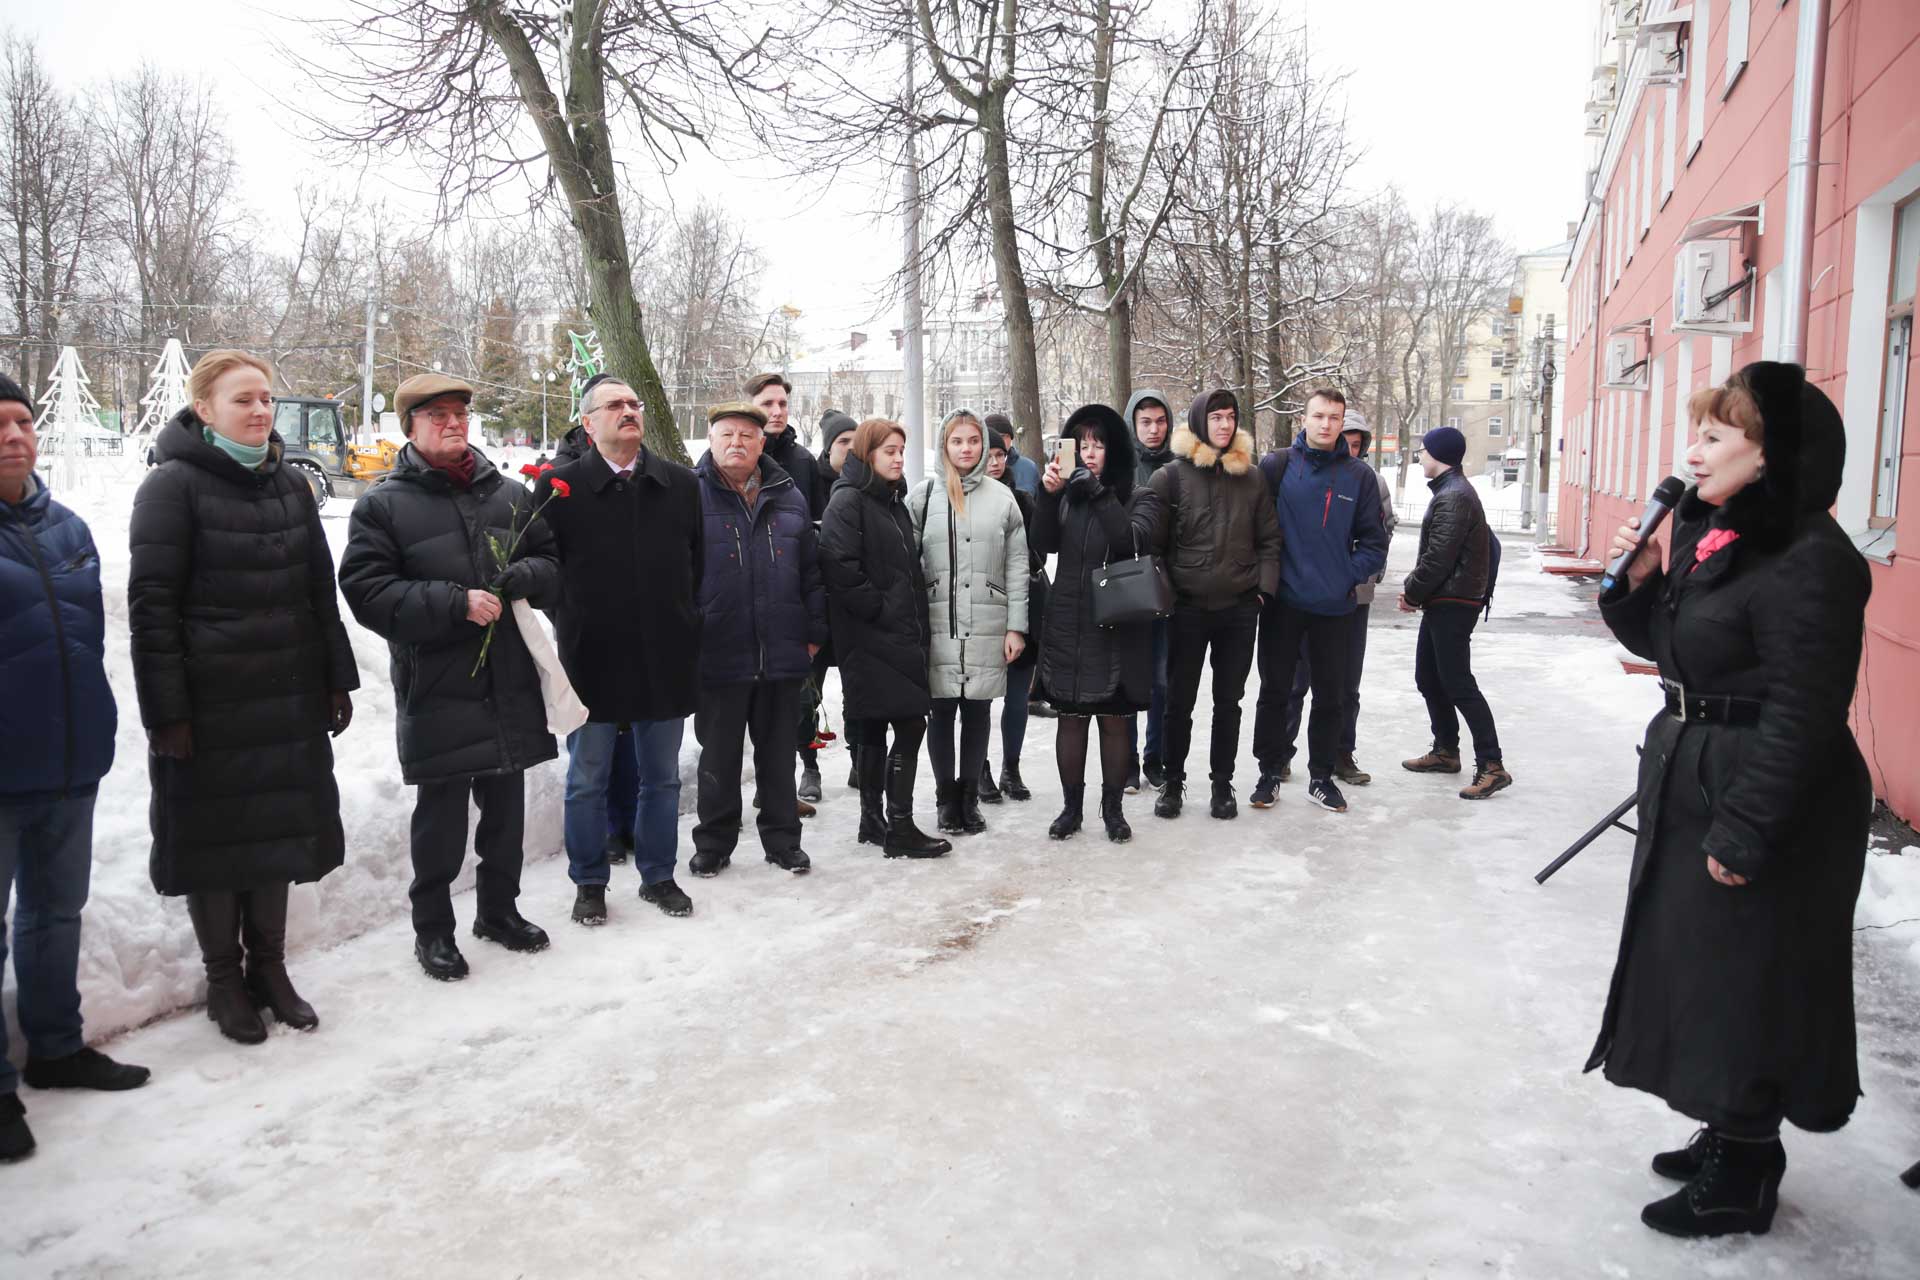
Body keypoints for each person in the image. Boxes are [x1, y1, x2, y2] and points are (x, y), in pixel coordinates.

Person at [1588, 363, 1871, 1238]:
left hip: (1768, 792)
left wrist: (1748, 828)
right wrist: (1634, 589)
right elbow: (1686, 653)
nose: (1692, 453)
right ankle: (1728, 1123)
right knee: (1708, 970)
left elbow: (1805, 709)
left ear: (1769, 454)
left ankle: (1746, 1165)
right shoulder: (1727, 537)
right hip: (1703, 773)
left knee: (1751, 976)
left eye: (1714, 437)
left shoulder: (1811, 559)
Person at [128, 350, 358, 1043]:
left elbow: (320, 590)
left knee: (279, 836)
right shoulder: (172, 488)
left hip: (285, 697)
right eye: (242, 400)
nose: (260, 411)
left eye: (265, 399)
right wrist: (166, 712)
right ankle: (224, 980)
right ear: (204, 411)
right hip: (211, 708)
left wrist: (335, 677)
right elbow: (152, 608)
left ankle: (271, 969)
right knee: (216, 842)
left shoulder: (289, 484)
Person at [339, 373, 561, 981]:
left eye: (461, 413)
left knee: (506, 813)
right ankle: (433, 931)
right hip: (437, 683)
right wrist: (452, 603)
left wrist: (527, 578)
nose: (453, 423)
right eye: (437, 415)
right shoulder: (382, 504)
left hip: (507, 680)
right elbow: (366, 591)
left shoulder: (509, 494)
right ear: (410, 426)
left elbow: (551, 562)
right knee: (439, 822)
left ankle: (499, 912)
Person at [1, 373, 148, 1164]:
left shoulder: (68, 528)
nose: (15, 434)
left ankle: (56, 1047)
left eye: (23, 420)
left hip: (68, 761)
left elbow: (84, 644)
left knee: (56, 914)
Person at [534, 377, 703, 924]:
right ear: (588, 423)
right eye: (614, 406)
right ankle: (589, 882)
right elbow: (545, 570)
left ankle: (658, 875)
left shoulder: (678, 484)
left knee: (663, 777)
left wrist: (683, 617)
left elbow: (697, 563)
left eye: (634, 404)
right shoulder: (559, 488)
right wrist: (574, 619)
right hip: (592, 657)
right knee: (587, 779)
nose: (629, 412)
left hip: (664, 653)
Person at [690, 402, 826, 877]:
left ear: (761, 443)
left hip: (781, 648)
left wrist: (813, 632)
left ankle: (783, 839)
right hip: (719, 649)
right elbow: (678, 574)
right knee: (719, 757)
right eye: (726, 434)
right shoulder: (692, 494)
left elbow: (810, 571)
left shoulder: (788, 494)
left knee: (777, 756)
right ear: (711, 440)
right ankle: (714, 841)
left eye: (747, 436)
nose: (737, 443)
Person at [1249, 387, 1389, 815]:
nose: (1326, 424)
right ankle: (1269, 772)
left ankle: (1322, 776)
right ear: (1303, 420)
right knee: (1275, 691)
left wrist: (1345, 577)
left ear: (1343, 423)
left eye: (1334, 417)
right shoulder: (1277, 466)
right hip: (1283, 603)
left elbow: (1374, 542)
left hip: (1335, 607)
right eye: (1319, 416)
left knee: (1331, 696)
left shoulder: (1359, 477)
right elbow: (1254, 530)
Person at [818, 418, 951, 859]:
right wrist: (882, 609)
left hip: (893, 635)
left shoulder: (889, 501)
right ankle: (899, 825)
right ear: (867, 453)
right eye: (889, 451)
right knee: (911, 724)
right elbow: (839, 568)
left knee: (874, 726)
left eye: (901, 450)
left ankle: (872, 820)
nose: (898, 458)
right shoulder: (849, 501)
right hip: (872, 637)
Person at [1146, 389, 1282, 820]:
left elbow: (1270, 541)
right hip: (1186, 609)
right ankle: (1171, 782)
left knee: (1229, 701)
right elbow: (1153, 548)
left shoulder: (1253, 477)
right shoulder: (1171, 477)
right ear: (1200, 422)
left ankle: (1222, 784)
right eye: (1216, 417)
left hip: (1239, 610)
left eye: (1230, 417)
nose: (1224, 424)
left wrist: (1262, 592)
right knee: (1177, 702)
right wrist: (1168, 597)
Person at [1033, 404, 1165, 841]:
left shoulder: (1138, 495)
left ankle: (1113, 809)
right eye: (1082, 444)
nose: (1090, 453)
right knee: (1070, 717)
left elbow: (1131, 541)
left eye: (1099, 444)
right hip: (1068, 617)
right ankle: (1072, 808)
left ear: (1115, 450)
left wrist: (1099, 492)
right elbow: (1043, 544)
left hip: (1116, 620)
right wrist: (1049, 496)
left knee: (1113, 717)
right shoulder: (1066, 495)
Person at [909, 409, 1029, 835]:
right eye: (957, 441)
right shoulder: (924, 496)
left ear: (984, 446)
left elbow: (1018, 566)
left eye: (973, 441)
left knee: (978, 712)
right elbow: (906, 561)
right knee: (940, 712)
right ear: (945, 445)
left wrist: (1016, 626)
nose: (965, 449)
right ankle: (945, 799)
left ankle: (969, 797)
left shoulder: (1002, 499)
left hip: (987, 621)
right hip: (938, 623)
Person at [1396, 425, 1510, 799]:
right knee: (1429, 677)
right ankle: (1446, 750)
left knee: (1458, 683)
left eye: (1424, 451)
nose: (1420, 457)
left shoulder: (1454, 497)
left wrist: (1412, 592)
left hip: (1454, 603)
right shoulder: (1450, 491)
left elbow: (1438, 558)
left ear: (1439, 455)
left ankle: (1492, 765)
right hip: (1446, 600)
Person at [746, 373, 828, 816]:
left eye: (782, 403)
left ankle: (798, 775)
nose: (777, 411)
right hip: (743, 604)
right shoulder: (733, 455)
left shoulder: (802, 462)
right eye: (767, 403)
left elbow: (813, 534)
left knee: (796, 701)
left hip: (789, 600)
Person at [981, 427, 1046, 803]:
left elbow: (1037, 554)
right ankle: (981, 769)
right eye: (988, 455)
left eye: (1000, 455)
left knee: (1018, 697)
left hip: (1021, 608)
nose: (994, 462)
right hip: (982, 613)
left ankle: (1011, 767)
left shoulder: (1023, 500)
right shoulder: (964, 499)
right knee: (981, 700)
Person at [1125, 389, 1176, 792]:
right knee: (1125, 679)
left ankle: (1153, 758)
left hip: (1165, 590)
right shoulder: (1119, 466)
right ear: (1133, 423)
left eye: (1160, 421)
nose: (1153, 429)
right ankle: (1123, 761)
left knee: (1161, 681)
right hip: (1124, 590)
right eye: (1145, 422)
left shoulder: (1179, 468)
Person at [814, 410, 861, 790]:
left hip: (853, 608)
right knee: (808, 694)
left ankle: (858, 759)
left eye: (854, 441)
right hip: (815, 606)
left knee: (856, 692)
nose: (849, 448)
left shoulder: (868, 481)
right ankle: (808, 766)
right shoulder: (809, 481)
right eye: (842, 442)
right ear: (829, 447)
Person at [985, 411, 1041, 498]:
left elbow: (1038, 503)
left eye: (1002, 436)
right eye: (992, 436)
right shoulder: (976, 470)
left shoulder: (1029, 467)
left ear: (1010, 438)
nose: (998, 439)